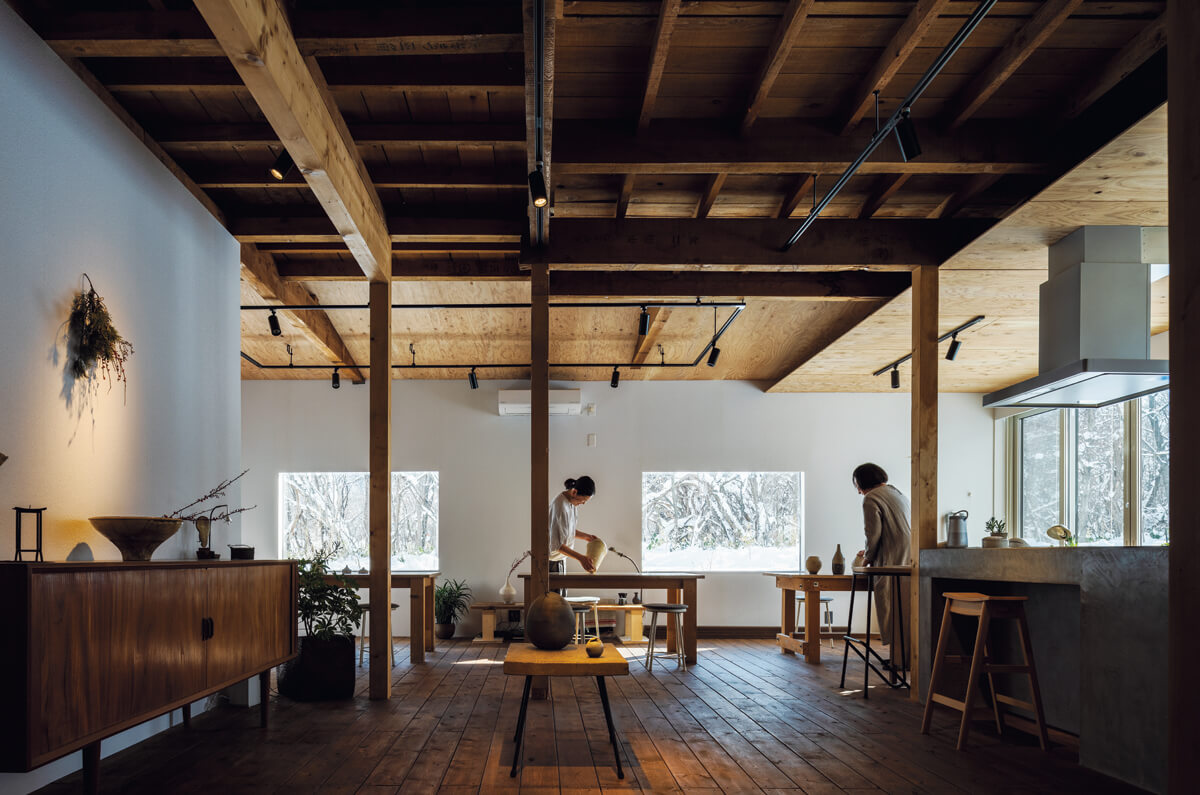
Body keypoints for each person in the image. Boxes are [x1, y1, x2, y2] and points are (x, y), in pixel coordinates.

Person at [852, 463, 912, 666]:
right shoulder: (897, 493)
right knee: (905, 606)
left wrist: (867, 558)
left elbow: (873, 533)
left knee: (889, 604)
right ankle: (905, 657)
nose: (859, 492)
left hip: (892, 558)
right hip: (909, 556)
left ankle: (898, 659)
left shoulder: (872, 497)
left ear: (862, 482)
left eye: (857, 486)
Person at [549, 476, 599, 584]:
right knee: (555, 600)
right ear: (574, 492)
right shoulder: (559, 506)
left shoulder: (572, 504)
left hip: (560, 559)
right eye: (583, 500)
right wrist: (581, 558)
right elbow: (556, 544)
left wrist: (587, 537)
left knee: (562, 599)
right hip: (551, 562)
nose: (583, 503)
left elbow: (567, 531)